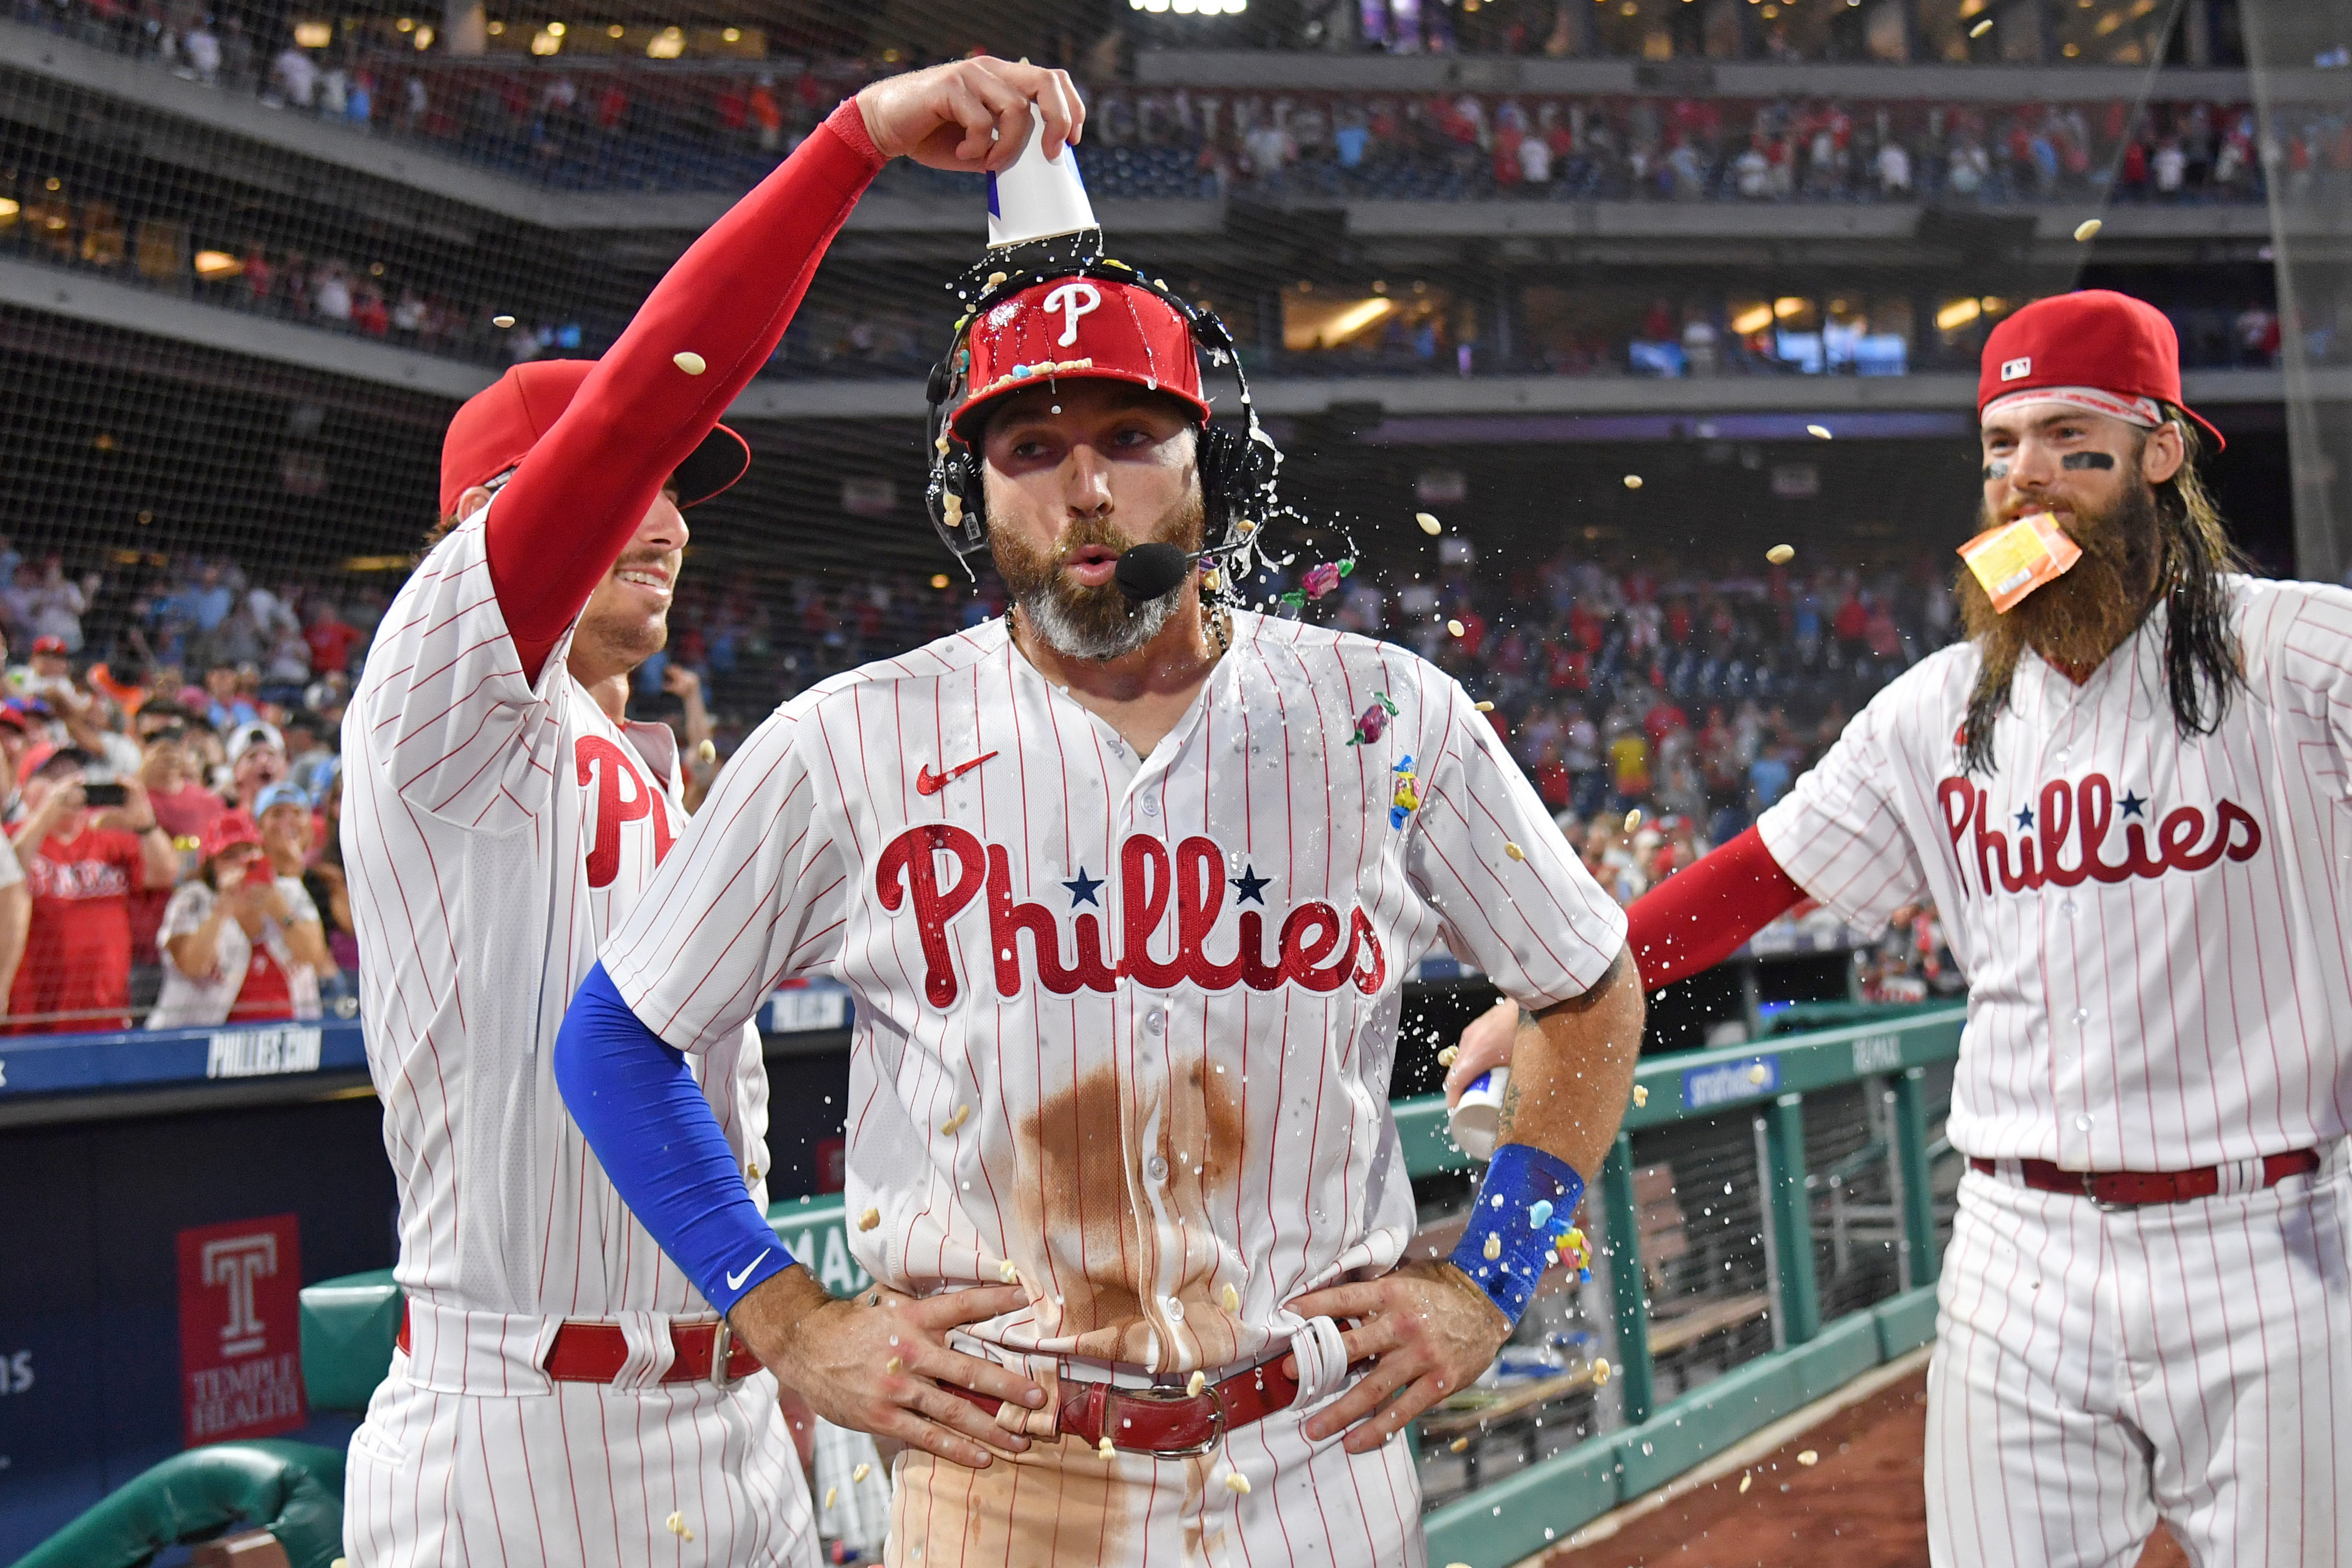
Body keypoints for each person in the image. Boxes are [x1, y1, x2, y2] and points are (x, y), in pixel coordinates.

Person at [555, 128, 1644, 1565]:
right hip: (999, 1470)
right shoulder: (847, 742)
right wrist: (785, 1319)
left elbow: (1588, 987)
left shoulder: (1384, 716)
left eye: (1130, 439)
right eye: (1032, 447)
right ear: (973, 492)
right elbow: (614, 1040)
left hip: (1314, 1458)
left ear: (1213, 464)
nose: (1084, 490)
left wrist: (1495, 1278)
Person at [1445, 289, 2352, 1566]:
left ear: (2159, 450)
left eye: (2065, 439)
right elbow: (1750, 878)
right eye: (1997, 445)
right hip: (2016, 1244)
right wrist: (1550, 986)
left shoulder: (2300, 652)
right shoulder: (1934, 709)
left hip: (2279, 1234)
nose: (2022, 475)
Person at [336, 57, 1090, 1568]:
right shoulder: (442, 695)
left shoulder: (662, 762)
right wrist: (852, 144)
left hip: (736, 1411)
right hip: (515, 1431)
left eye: (686, 485)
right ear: (490, 522)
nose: (667, 509)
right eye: (631, 477)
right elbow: (635, 406)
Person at [6, 746, 177, 1033]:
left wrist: (145, 822)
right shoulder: (13, 839)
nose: (68, 785)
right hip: (33, 1014)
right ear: (25, 789)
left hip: (106, 1012)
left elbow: (163, 874)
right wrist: (45, 816)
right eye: (52, 776)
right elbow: (8, 875)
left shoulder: (111, 842)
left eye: (75, 774)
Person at [148, 812, 328, 1028]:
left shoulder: (289, 892)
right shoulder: (192, 899)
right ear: (211, 866)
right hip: (199, 1041)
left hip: (289, 1037)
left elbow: (314, 955)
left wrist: (278, 908)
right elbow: (193, 966)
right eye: (230, 856)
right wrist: (222, 910)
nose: (242, 863)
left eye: (250, 852)